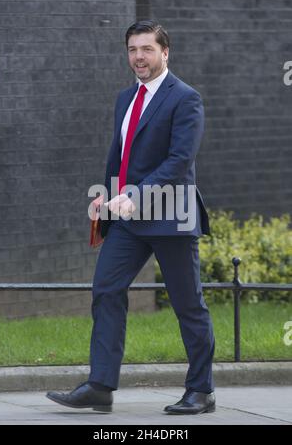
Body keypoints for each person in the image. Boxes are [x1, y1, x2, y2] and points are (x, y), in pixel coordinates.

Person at [47, 20, 216, 415]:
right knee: (106, 290)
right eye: (132, 50)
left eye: (147, 49)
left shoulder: (185, 98)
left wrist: (136, 195)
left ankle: (201, 390)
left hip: (170, 215)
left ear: (165, 52)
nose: (138, 57)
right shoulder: (126, 97)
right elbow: (120, 157)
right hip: (127, 218)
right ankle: (100, 385)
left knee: (188, 303)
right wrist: (105, 197)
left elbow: (180, 161)